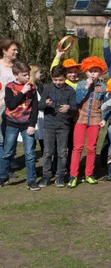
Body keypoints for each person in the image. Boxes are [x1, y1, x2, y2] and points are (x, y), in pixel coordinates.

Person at [68, 57, 108, 188]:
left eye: (96, 71)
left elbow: (106, 104)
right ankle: (73, 175)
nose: (93, 73)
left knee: (91, 148)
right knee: (77, 147)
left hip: (95, 119)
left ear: (100, 73)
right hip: (81, 119)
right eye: (90, 71)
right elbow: (78, 100)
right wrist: (87, 86)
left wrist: (104, 118)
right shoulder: (80, 84)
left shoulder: (102, 87)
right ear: (85, 71)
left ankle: (89, 174)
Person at [0, 61, 40, 190]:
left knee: (30, 153)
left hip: (27, 125)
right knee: (8, 152)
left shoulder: (32, 87)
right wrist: (22, 91)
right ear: (16, 75)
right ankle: (3, 176)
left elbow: (35, 108)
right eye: (25, 75)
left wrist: (32, 125)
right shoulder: (9, 87)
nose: (28, 77)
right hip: (11, 123)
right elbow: (11, 105)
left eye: (28, 74)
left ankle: (31, 180)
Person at [38, 65, 76, 188]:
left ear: (65, 78)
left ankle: (60, 176)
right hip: (49, 125)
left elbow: (75, 108)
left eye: (60, 80)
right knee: (48, 152)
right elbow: (39, 106)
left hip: (63, 126)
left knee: (62, 152)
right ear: (52, 78)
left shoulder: (70, 90)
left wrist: (69, 108)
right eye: (55, 80)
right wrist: (46, 104)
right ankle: (46, 176)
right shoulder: (47, 88)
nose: (58, 82)